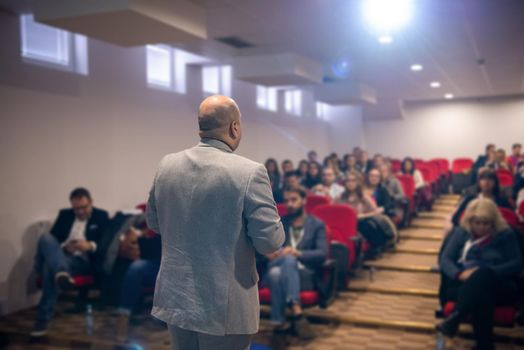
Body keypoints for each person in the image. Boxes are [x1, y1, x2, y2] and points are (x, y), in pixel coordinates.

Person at [146, 95, 285, 350]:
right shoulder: (250, 172)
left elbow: (154, 223)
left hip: (177, 296)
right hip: (225, 304)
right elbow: (270, 243)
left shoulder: (167, 165)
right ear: (234, 127)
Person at [437, 198, 522, 350]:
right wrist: (459, 274)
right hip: (463, 284)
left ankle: (456, 317)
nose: (481, 227)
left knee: (482, 277)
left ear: (493, 222)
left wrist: (487, 273)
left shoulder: (506, 234)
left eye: (486, 223)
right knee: (482, 295)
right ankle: (485, 345)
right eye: (477, 223)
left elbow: (516, 263)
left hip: (499, 284)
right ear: (470, 221)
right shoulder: (461, 232)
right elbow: (445, 259)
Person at [31, 188, 109, 337]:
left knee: (50, 266)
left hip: (84, 260)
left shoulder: (101, 216)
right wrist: (64, 247)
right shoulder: (65, 215)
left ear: (91, 202)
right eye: (76, 208)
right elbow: (53, 240)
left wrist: (90, 245)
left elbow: (107, 244)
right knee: (45, 239)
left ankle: (43, 319)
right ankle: (62, 272)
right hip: (64, 256)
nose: (79, 212)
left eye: (83, 207)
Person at [258, 187, 327, 339]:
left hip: (304, 276)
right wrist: (268, 253)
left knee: (279, 271)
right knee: (285, 261)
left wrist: (298, 253)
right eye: (287, 201)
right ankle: (296, 311)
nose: (289, 204)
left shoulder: (316, 225)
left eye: (294, 200)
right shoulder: (281, 223)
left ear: (304, 201)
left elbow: (322, 254)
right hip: (276, 264)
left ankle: (278, 322)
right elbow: (265, 248)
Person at [97, 211, 162, 342]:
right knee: (136, 267)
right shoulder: (161, 218)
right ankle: (124, 315)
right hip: (157, 262)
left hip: (178, 265)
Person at [336, 171, 394, 259]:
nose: (350, 183)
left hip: (361, 222)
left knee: (367, 225)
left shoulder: (364, 196)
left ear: (357, 182)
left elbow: (376, 212)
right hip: (344, 224)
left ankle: (374, 248)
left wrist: (362, 216)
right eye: (348, 181)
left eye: (353, 181)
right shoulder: (340, 197)